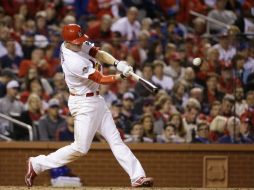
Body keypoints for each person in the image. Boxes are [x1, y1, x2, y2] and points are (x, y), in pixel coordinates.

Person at [25, 23, 153, 187]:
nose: (80, 43)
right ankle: (37, 164)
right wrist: (121, 77)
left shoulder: (74, 44)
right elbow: (101, 79)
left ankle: (137, 177)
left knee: (116, 140)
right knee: (80, 148)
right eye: (77, 42)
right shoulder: (73, 61)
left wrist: (117, 63)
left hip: (96, 100)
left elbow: (97, 53)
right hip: (83, 103)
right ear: (68, 42)